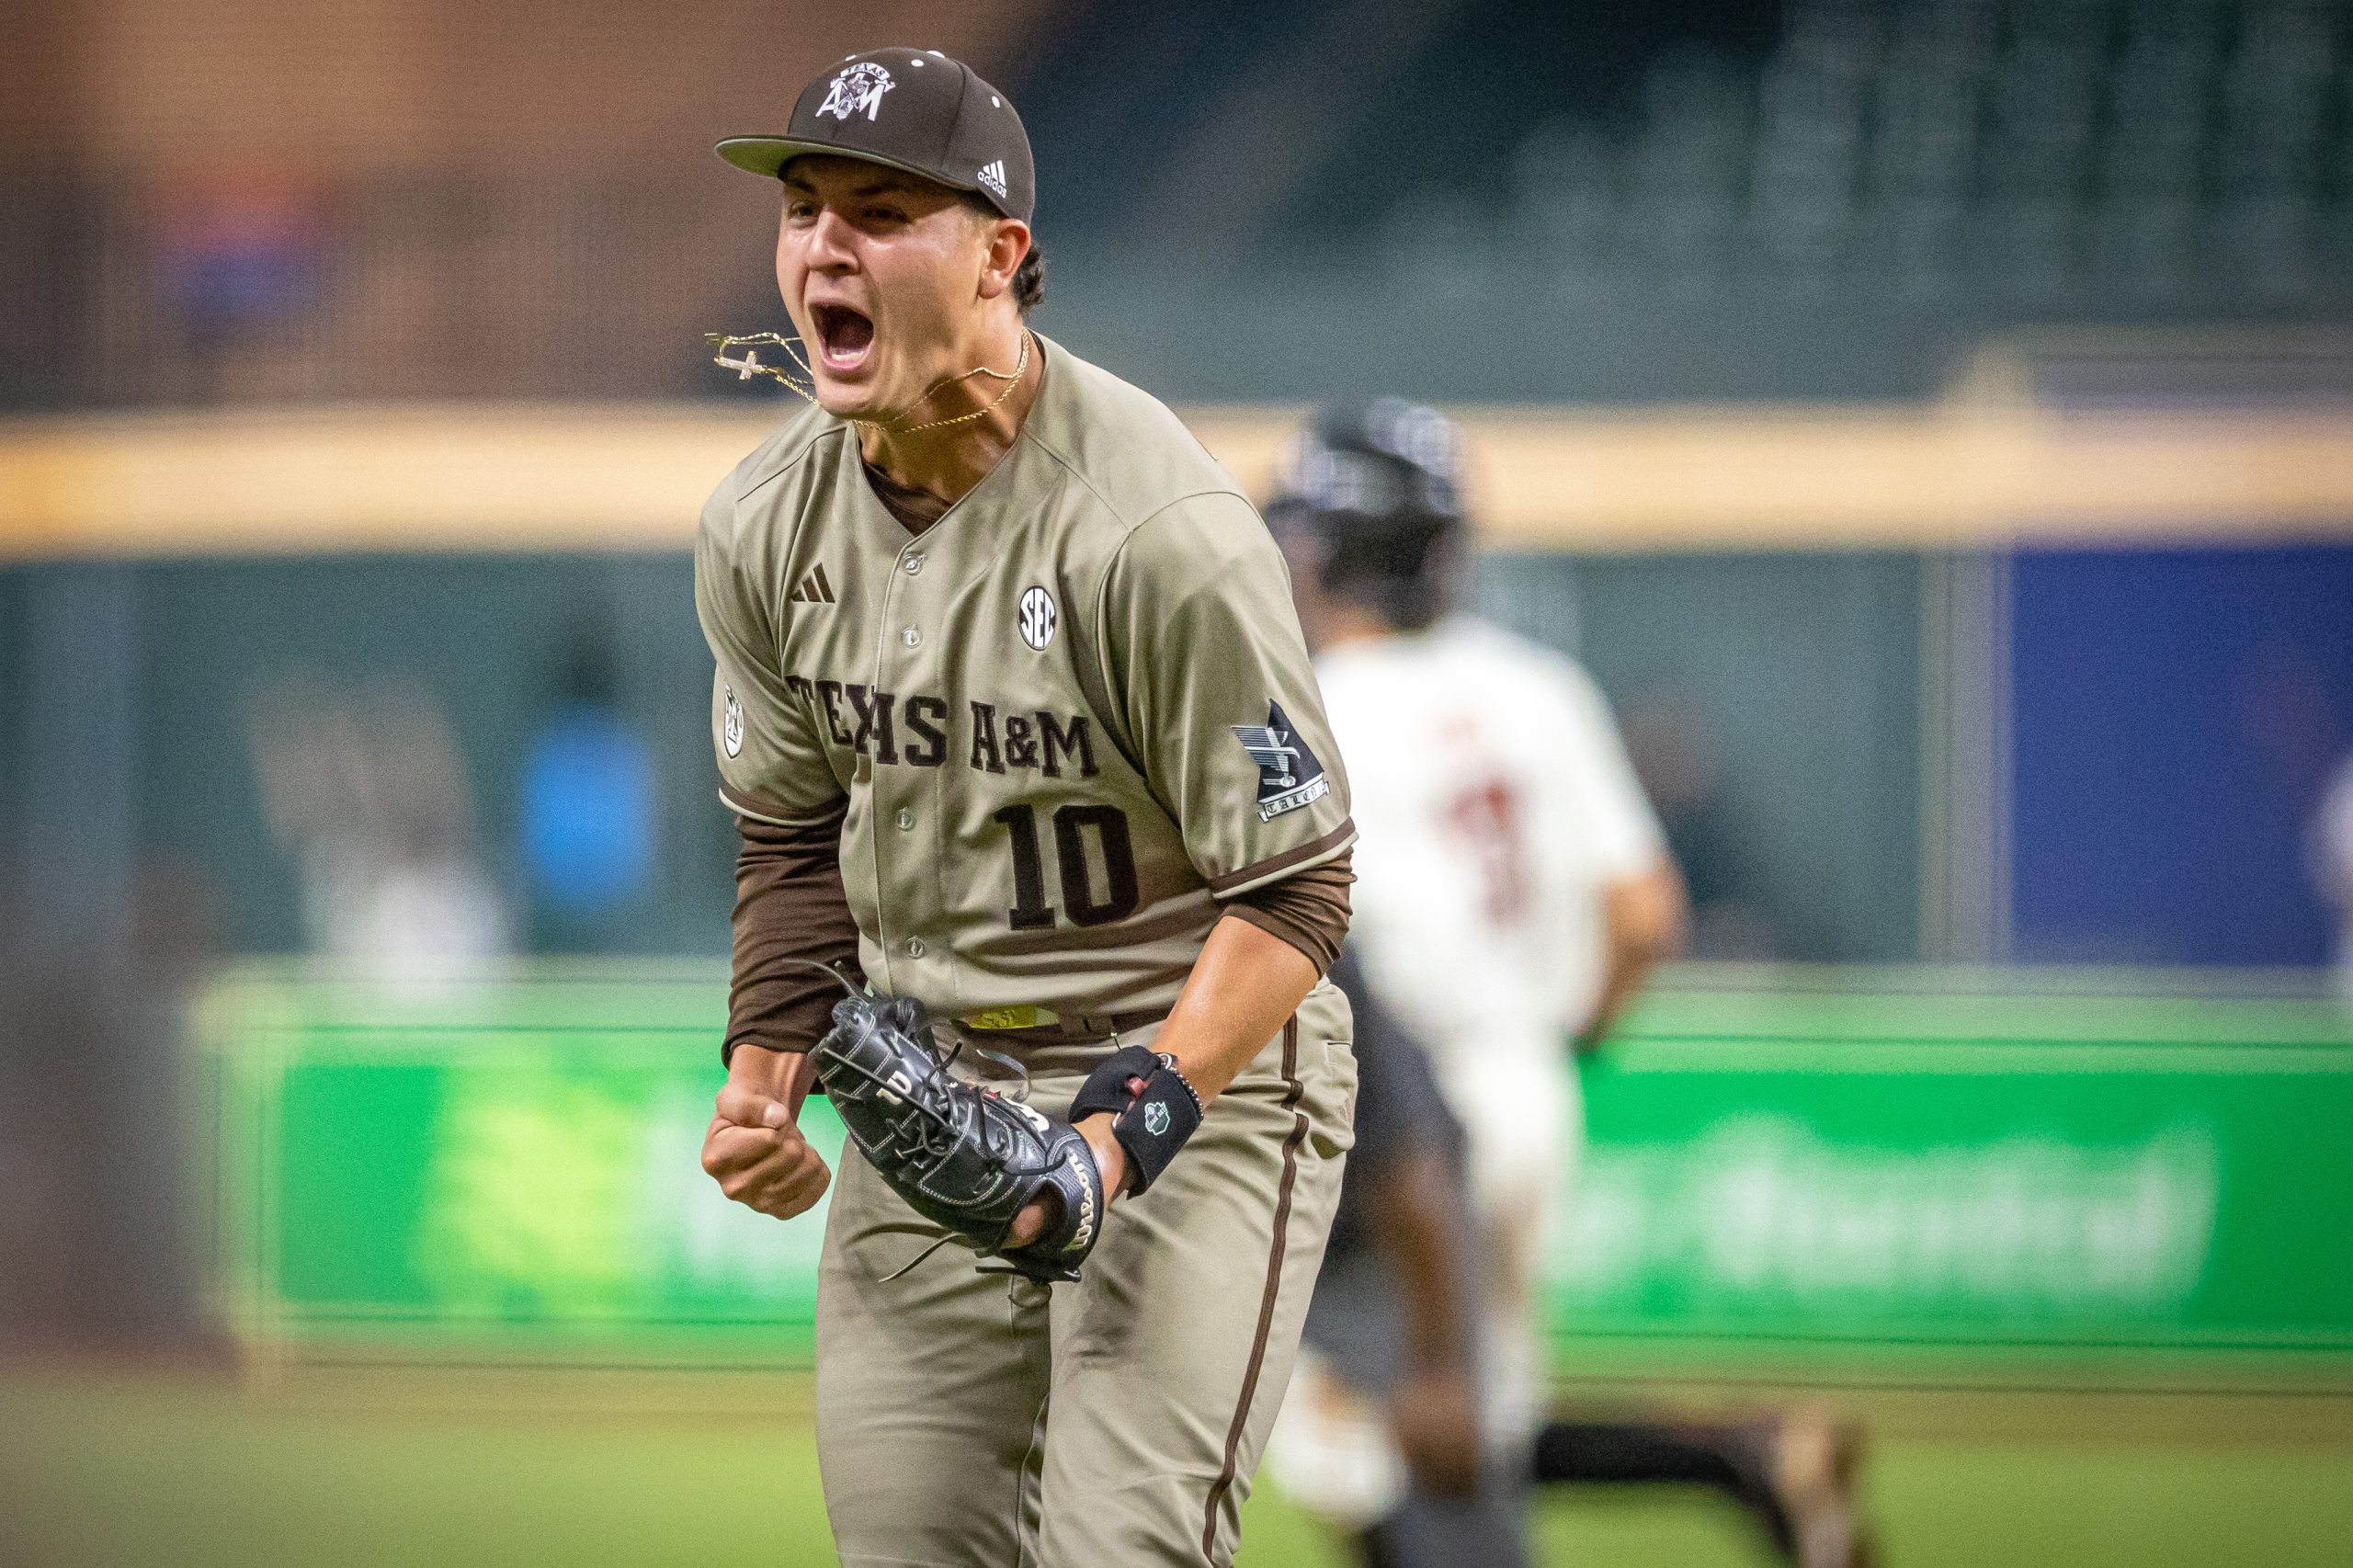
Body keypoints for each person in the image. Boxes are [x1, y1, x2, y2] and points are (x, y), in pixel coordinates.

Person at [688, 49, 1358, 1567]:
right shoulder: (761, 523)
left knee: (1121, 1550)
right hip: (925, 1106)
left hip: (1193, 1088)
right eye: (802, 212)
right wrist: (764, 1080)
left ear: (1004, 258)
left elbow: (1301, 888)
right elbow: (792, 840)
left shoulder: (1157, 530)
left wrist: (1109, 1145)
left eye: (881, 210)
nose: (824, 249)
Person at [1261, 400, 1867, 1568]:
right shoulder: (1538, 687)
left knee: (1351, 1426)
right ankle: (1744, 1457)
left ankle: (1736, 1459)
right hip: (1526, 1089)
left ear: (1326, 549)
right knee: (1469, 1423)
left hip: (1389, 1121)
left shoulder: (1307, 706)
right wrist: (1565, 1033)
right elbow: (1646, 914)